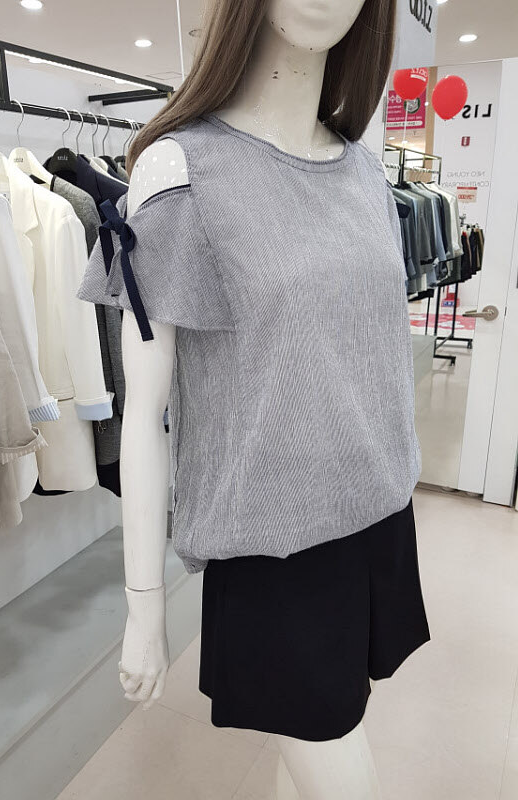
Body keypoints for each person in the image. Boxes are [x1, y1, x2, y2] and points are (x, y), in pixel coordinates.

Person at [78, 0, 431, 796]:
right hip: (273, 545)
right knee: (332, 752)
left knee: (317, 737)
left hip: (376, 514)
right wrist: (143, 604)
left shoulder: (364, 170)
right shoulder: (182, 171)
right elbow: (146, 411)